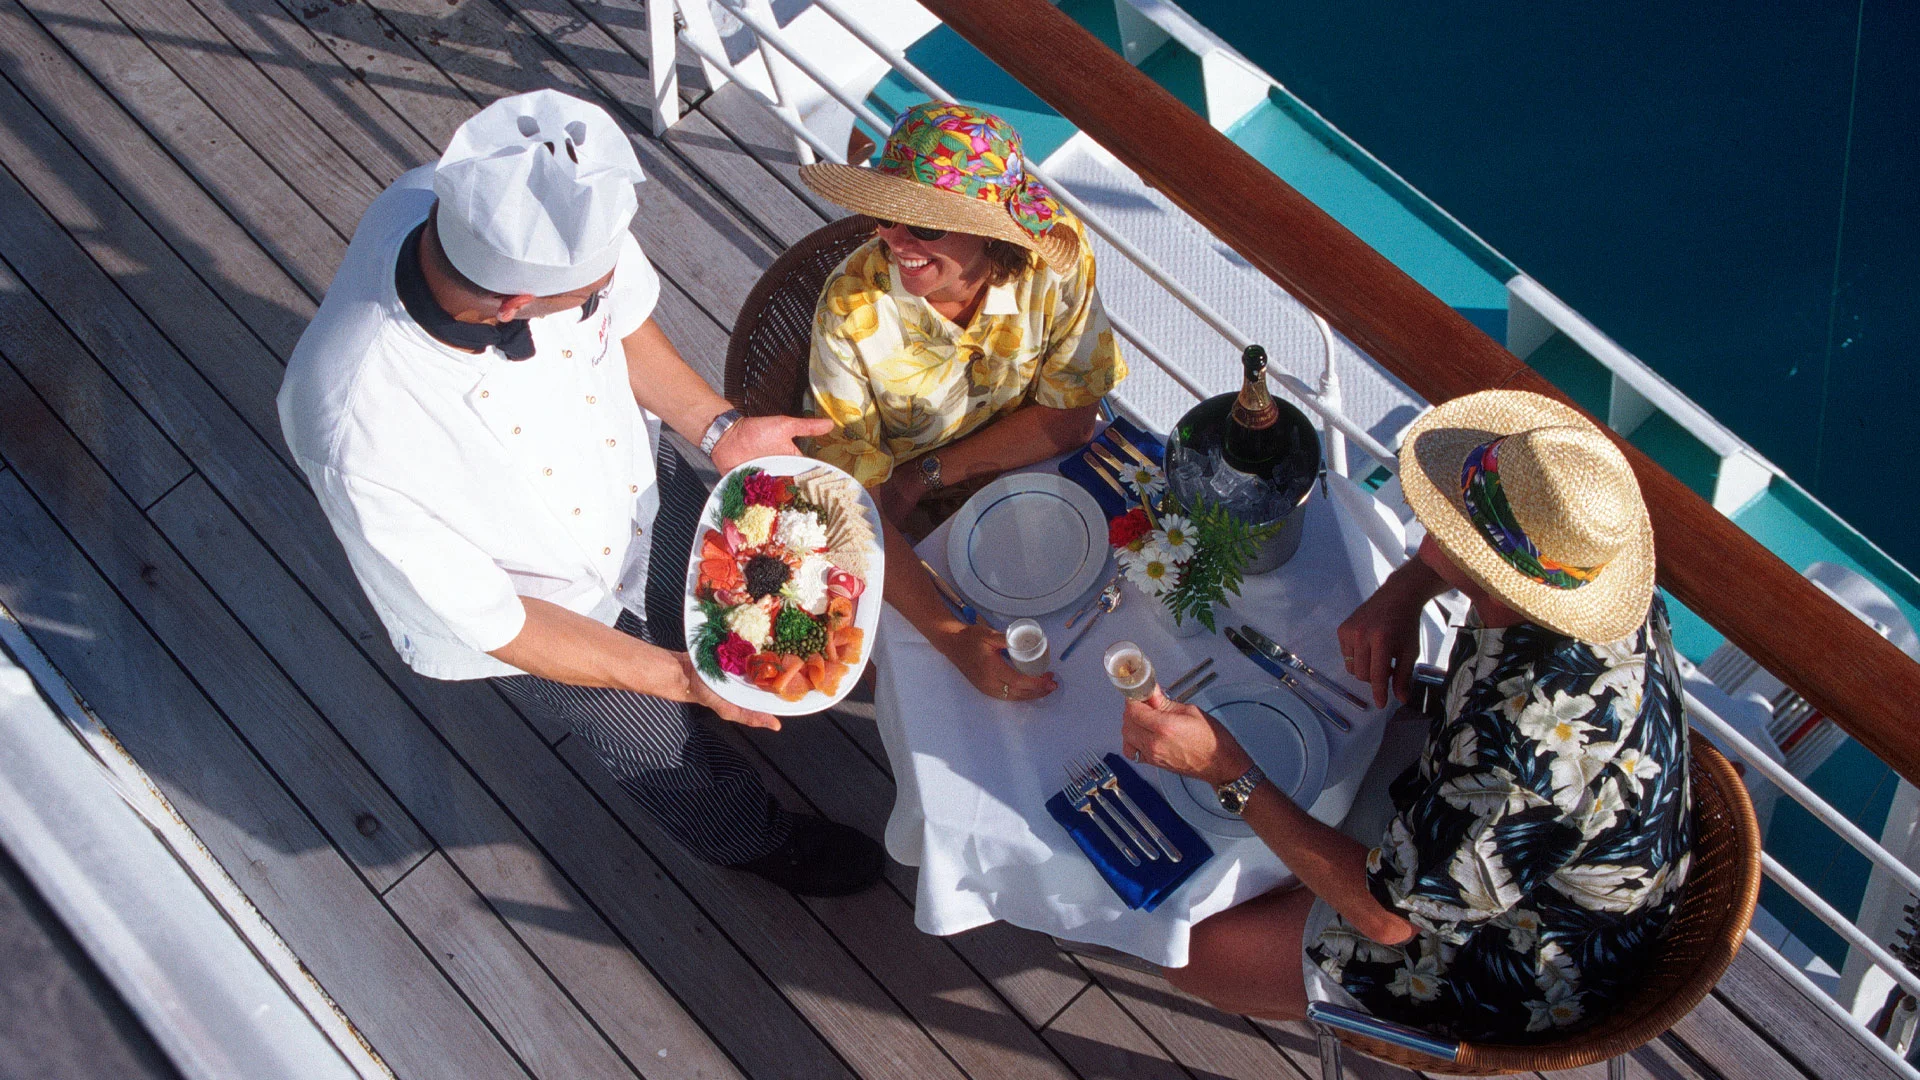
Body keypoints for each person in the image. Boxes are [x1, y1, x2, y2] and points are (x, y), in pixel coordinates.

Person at [278, 90, 883, 897]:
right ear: (515, 303)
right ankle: (755, 843)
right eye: (585, 293)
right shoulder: (352, 427)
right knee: (661, 750)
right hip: (550, 611)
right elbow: (497, 619)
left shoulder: (476, 203)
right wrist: (675, 678)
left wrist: (716, 429)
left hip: (645, 497)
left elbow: (621, 317)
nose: (605, 292)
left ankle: (715, 678)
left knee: (740, 610)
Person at [1121, 390, 1693, 1041]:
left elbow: (1389, 918)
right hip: (1544, 845)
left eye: (1445, 518)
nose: (1430, 522)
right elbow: (1487, 561)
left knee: (1189, 951)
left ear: (1492, 572)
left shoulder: (1516, 755)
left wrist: (1226, 769)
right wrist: (1406, 589)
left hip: (1524, 957)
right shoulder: (1591, 585)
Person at [796, 101, 1127, 702]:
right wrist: (952, 638)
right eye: (883, 214)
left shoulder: (1059, 262)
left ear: (989, 231)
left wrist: (925, 474)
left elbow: (1075, 420)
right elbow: (852, 498)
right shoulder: (850, 306)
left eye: (922, 225)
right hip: (902, 512)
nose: (894, 241)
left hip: (1026, 473)